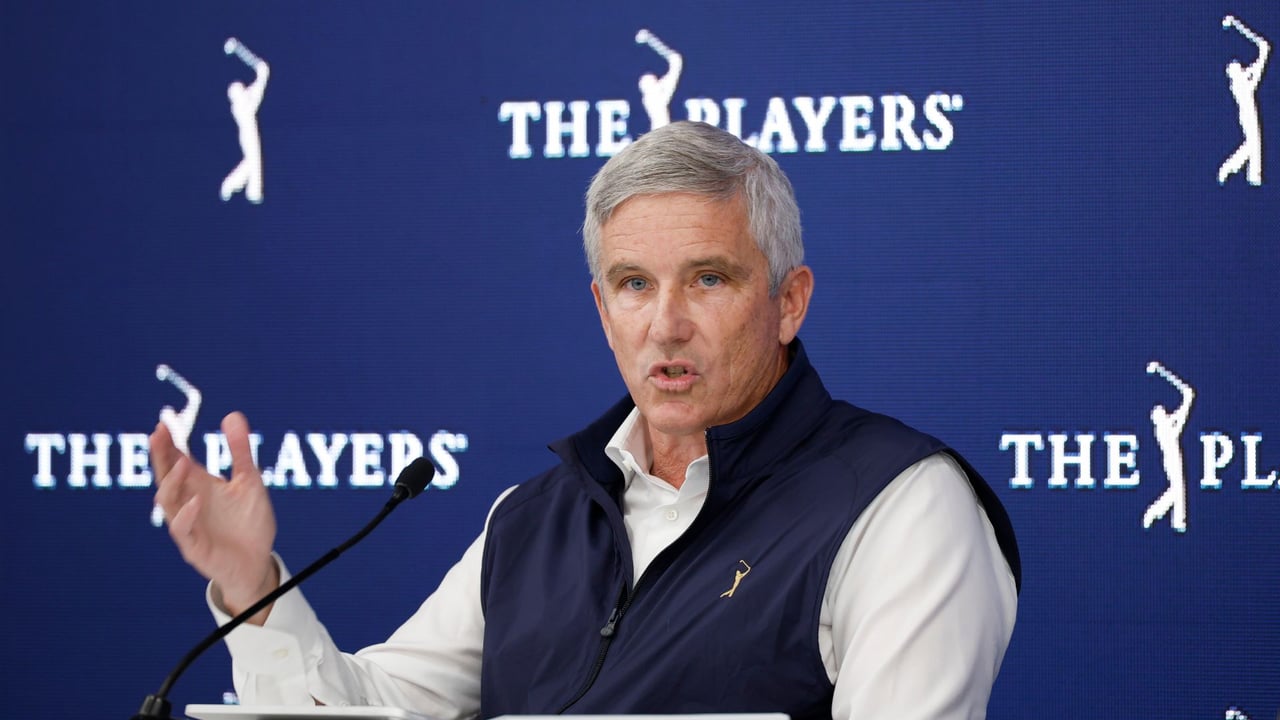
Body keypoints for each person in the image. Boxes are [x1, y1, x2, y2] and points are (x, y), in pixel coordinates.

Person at [151, 120, 1020, 720]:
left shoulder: (902, 506)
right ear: (602, 310)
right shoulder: (530, 521)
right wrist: (253, 594)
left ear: (789, 302)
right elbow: (378, 708)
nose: (665, 324)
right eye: (635, 285)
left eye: (709, 279)